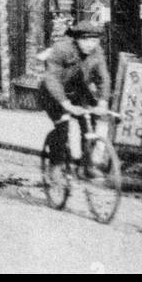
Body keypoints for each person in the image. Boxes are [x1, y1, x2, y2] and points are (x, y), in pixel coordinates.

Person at [39, 22, 110, 178]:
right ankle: (55, 166)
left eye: (94, 41)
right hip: (53, 93)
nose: (90, 45)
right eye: (86, 40)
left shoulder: (97, 52)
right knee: (62, 127)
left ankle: (87, 164)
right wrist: (66, 104)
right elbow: (52, 79)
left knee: (90, 121)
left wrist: (103, 101)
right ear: (77, 39)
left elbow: (103, 77)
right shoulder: (61, 49)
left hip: (78, 91)